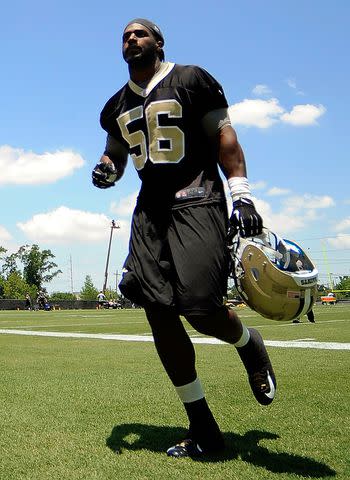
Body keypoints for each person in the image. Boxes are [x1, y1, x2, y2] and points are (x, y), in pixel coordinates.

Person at [92, 18, 276, 458]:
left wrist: (242, 196)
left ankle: (249, 344)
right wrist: (106, 168)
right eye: (125, 35)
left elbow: (224, 137)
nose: (131, 39)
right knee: (158, 312)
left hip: (197, 198)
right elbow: (116, 151)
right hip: (149, 213)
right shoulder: (115, 105)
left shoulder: (191, 79)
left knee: (200, 308)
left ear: (158, 41)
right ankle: (203, 429)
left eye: (140, 33)